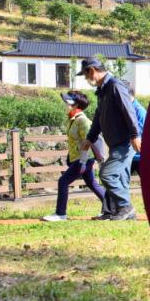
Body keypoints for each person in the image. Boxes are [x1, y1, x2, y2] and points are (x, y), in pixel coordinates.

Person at [79, 57, 141, 221]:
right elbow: (99, 117)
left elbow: (128, 110)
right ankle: (120, 212)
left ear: (92, 70)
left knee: (107, 174)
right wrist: (90, 138)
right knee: (120, 178)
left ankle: (125, 206)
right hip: (115, 143)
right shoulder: (102, 90)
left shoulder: (115, 85)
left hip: (124, 142)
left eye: (85, 74)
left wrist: (135, 135)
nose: (86, 79)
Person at [42, 91, 106, 222]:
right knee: (92, 184)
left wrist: (82, 162)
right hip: (79, 158)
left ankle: (60, 214)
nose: (64, 105)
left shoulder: (82, 120)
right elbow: (75, 141)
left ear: (75, 105)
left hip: (83, 158)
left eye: (67, 102)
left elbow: (88, 141)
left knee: (63, 181)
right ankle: (112, 207)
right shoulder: (72, 119)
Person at [122, 80, 147, 175]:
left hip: (139, 156)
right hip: (128, 155)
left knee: (148, 181)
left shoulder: (139, 111)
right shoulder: (126, 109)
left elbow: (138, 134)